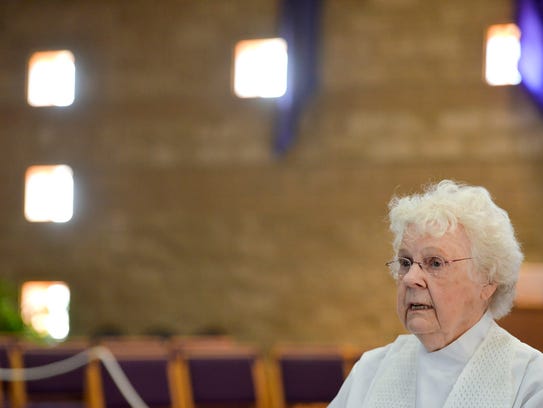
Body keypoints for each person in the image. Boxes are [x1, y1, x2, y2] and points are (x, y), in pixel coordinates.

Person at [329, 179, 543, 408]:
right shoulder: (369, 371)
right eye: (405, 262)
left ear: (488, 280)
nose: (411, 278)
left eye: (435, 263)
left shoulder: (529, 381)